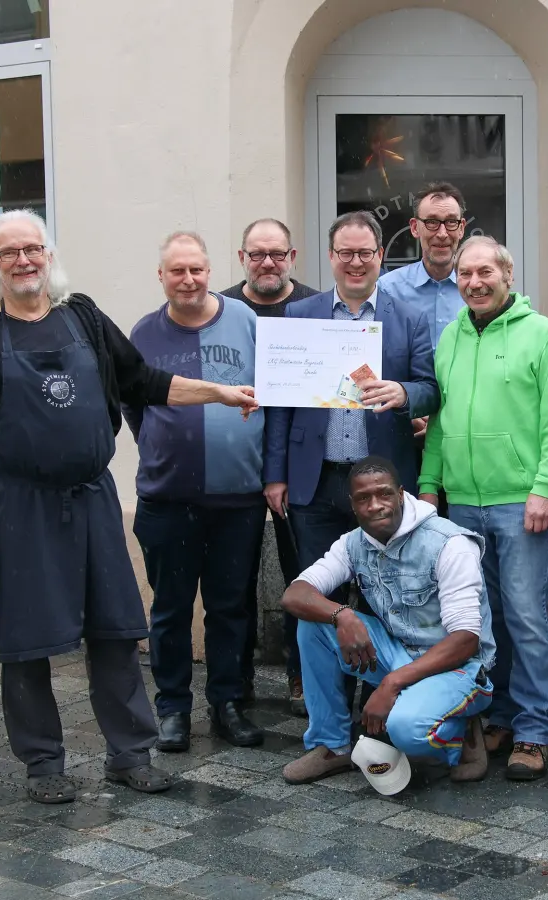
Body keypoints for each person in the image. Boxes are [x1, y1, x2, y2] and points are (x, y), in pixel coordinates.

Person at [0, 209, 258, 805]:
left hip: (93, 497)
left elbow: (147, 382)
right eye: (10, 253)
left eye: (33, 249)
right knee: (26, 639)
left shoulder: (83, 317)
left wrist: (218, 391)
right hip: (20, 505)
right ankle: (43, 763)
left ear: (49, 256)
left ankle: (129, 754)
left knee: (115, 630)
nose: (24, 261)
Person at [418, 236, 548, 781]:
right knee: (480, 621)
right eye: (464, 273)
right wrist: (429, 484)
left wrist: (546, 486)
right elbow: (439, 419)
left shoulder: (541, 336)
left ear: (508, 274)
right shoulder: (450, 337)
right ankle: (500, 714)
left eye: (485, 271)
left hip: (519, 502)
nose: (474, 282)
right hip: (461, 504)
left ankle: (533, 729)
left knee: (528, 618)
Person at [125, 232, 267, 753]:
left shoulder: (247, 322)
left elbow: (270, 395)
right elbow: (134, 406)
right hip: (168, 499)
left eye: (197, 270)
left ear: (211, 271)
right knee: (171, 608)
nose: (189, 280)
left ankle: (228, 702)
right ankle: (173, 709)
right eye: (177, 271)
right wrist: (166, 446)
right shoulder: (143, 333)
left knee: (232, 606)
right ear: (160, 276)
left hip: (238, 499)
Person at [279, 457, 492, 788]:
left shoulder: (449, 543)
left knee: (405, 730)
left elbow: (466, 640)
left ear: (401, 494)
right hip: (398, 652)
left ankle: (462, 735)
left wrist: (391, 684)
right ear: (352, 504)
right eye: (364, 498)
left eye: (384, 494)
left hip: (456, 666)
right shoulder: (353, 544)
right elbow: (295, 594)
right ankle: (333, 745)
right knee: (314, 624)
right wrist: (342, 614)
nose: (375, 506)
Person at [263, 211, 438, 603]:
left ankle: (382, 667)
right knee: (318, 589)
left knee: (387, 593)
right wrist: (275, 474)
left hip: (382, 479)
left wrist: (404, 393)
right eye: (346, 253)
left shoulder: (410, 319)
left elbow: (430, 389)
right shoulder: (300, 314)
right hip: (316, 479)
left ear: (380, 255)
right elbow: (280, 403)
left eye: (364, 253)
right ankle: (316, 667)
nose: (355, 263)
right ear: (330, 257)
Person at [219, 217, 315, 711]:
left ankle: (302, 678)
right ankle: (237, 684)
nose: (267, 264)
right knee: (233, 582)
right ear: (241, 260)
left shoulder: (314, 307)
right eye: (257, 255)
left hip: (296, 467)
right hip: (232, 464)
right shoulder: (219, 309)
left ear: (292, 257)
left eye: (277, 254)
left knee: (304, 574)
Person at [379, 182, 467, 342]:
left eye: (451, 222)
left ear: (461, 228)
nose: (442, 234)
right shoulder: (389, 290)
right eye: (432, 222)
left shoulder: (476, 289)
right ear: (414, 228)